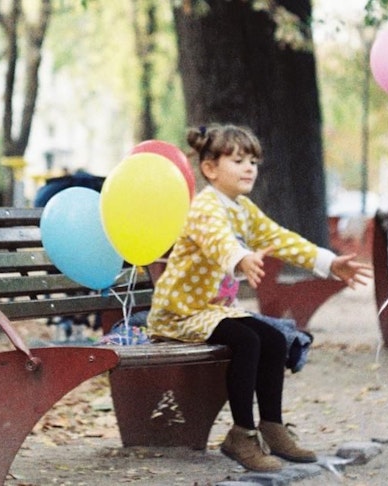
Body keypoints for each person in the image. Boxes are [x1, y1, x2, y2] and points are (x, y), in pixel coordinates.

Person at [147, 124, 373, 472]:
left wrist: (328, 262)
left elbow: (281, 238)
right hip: (181, 313)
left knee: (272, 337)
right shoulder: (206, 207)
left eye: (253, 160)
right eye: (238, 160)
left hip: (213, 311)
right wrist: (240, 258)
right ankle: (242, 434)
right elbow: (219, 240)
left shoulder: (243, 209)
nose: (250, 167)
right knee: (248, 340)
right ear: (210, 169)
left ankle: (272, 426)